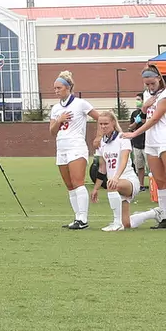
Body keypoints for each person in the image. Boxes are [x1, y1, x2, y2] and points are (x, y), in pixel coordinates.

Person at [123, 66, 166, 229]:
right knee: (159, 180)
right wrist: (144, 108)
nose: (150, 87)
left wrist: (134, 133)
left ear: (159, 78)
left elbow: (154, 119)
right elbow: (145, 116)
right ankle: (165, 218)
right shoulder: (147, 94)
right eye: (147, 84)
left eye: (152, 83)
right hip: (151, 142)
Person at [47, 71, 102, 229]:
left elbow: (100, 118)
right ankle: (77, 217)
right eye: (55, 88)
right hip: (61, 147)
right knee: (69, 185)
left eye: (59, 88)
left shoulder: (80, 103)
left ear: (68, 87)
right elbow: (52, 131)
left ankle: (83, 219)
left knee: (78, 182)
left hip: (76, 146)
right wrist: (59, 120)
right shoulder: (56, 108)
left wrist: (98, 136)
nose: (56, 91)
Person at [94, 112, 152, 231]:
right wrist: (96, 188)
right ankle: (153, 213)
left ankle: (116, 223)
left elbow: (124, 160)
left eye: (106, 123)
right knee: (127, 224)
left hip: (128, 180)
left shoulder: (122, 138)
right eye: (101, 124)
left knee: (111, 184)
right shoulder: (101, 143)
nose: (103, 126)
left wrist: (116, 177)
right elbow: (102, 168)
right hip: (116, 183)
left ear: (113, 123)